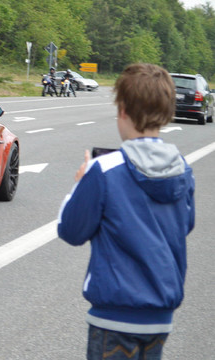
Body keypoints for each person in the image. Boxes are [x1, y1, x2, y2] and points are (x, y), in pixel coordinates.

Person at [57, 63, 195, 360]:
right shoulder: (182, 169)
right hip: (161, 314)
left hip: (113, 316)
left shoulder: (104, 170)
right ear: (167, 112)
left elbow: (71, 230)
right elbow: (186, 224)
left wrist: (79, 185)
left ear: (122, 110)